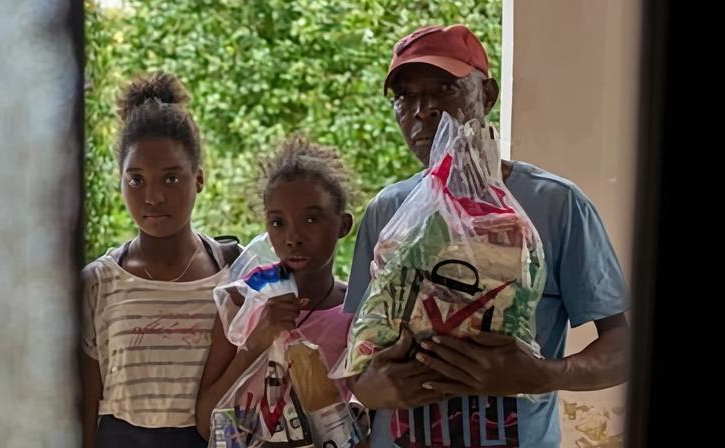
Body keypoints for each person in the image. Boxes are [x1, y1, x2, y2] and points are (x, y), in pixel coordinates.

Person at [344, 24, 630, 447]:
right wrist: (371, 389)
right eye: (405, 97)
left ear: (488, 95)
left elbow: (622, 350)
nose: (422, 110)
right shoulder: (389, 212)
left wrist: (542, 375)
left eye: (444, 89)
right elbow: (356, 354)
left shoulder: (556, 206)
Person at [81, 72, 235, 448]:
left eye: (171, 179)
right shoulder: (97, 283)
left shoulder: (232, 272)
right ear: (119, 182)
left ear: (198, 179)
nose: (153, 197)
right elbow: (85, 404)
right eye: (136, 179)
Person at [195, 136, 356, 440]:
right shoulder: (241, 303)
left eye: (311, 219)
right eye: (278, 223)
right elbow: (206, 422)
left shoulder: (355, 313)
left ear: (343, 226)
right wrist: (256, 343)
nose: (293, 237)